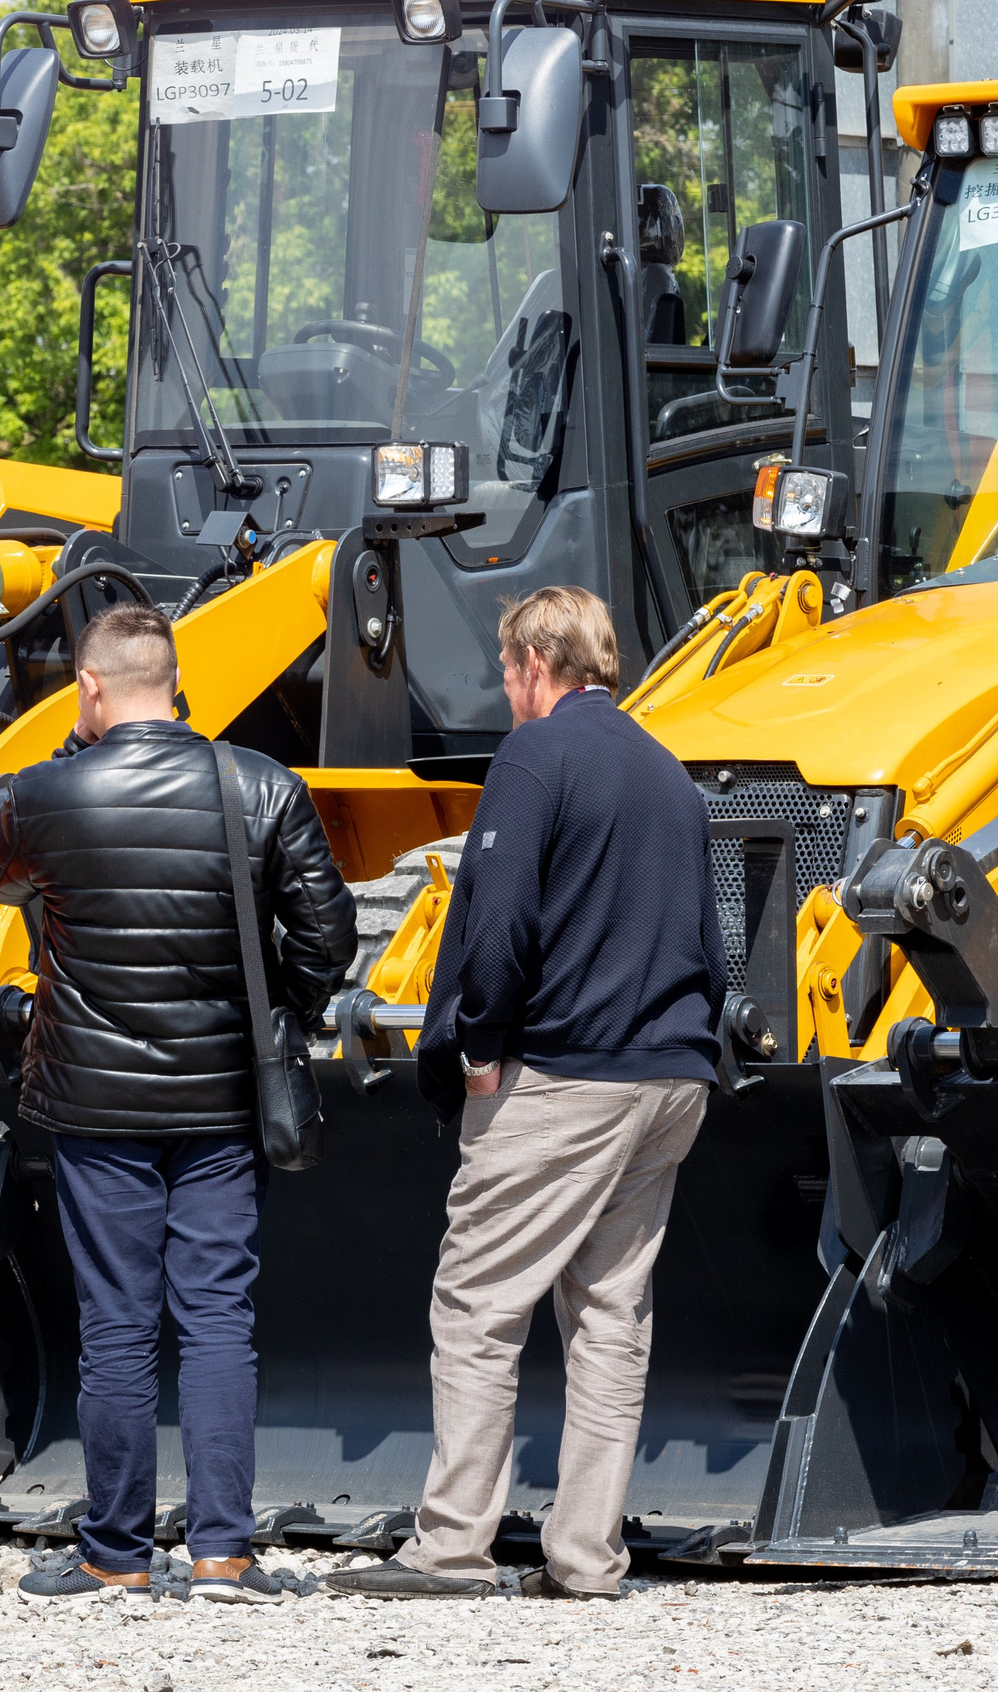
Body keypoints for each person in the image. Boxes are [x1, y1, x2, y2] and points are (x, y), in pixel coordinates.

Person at [328, 585, 724, 1603]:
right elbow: (705, 940)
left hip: (566, 1075)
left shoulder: (535, 755)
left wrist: (476, 1046)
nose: (505, 693)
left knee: (478, 1300)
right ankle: (587, 1557)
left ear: (538, 663)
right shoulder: (670, 776)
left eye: (507, 672)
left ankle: (451, 1544)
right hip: (671, 1075)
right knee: (609, 1315)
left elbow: (496, 919)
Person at [0, 603, 356, 1604]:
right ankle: (223, 1552)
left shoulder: (52, 792)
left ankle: (114, 1552)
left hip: (95, 1105)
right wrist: (283, 1011)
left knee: (118, 1324)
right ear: (172, 682)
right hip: (224, 1098)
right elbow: (327, 934)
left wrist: (58, 758)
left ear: (89, 686)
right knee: (219, 1314)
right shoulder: (259, 784)